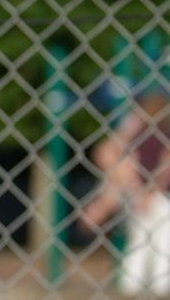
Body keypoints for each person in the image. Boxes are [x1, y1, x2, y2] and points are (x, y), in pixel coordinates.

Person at [81, 88, 170, 296]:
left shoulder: (139, 133)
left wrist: (139, 190)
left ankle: (134, 284)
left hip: (141, 193)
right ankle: (159, 285)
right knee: (161, 239)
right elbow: (165, 165)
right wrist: (150, 190)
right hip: (156, 195)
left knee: (140, 239)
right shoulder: (157, 132)